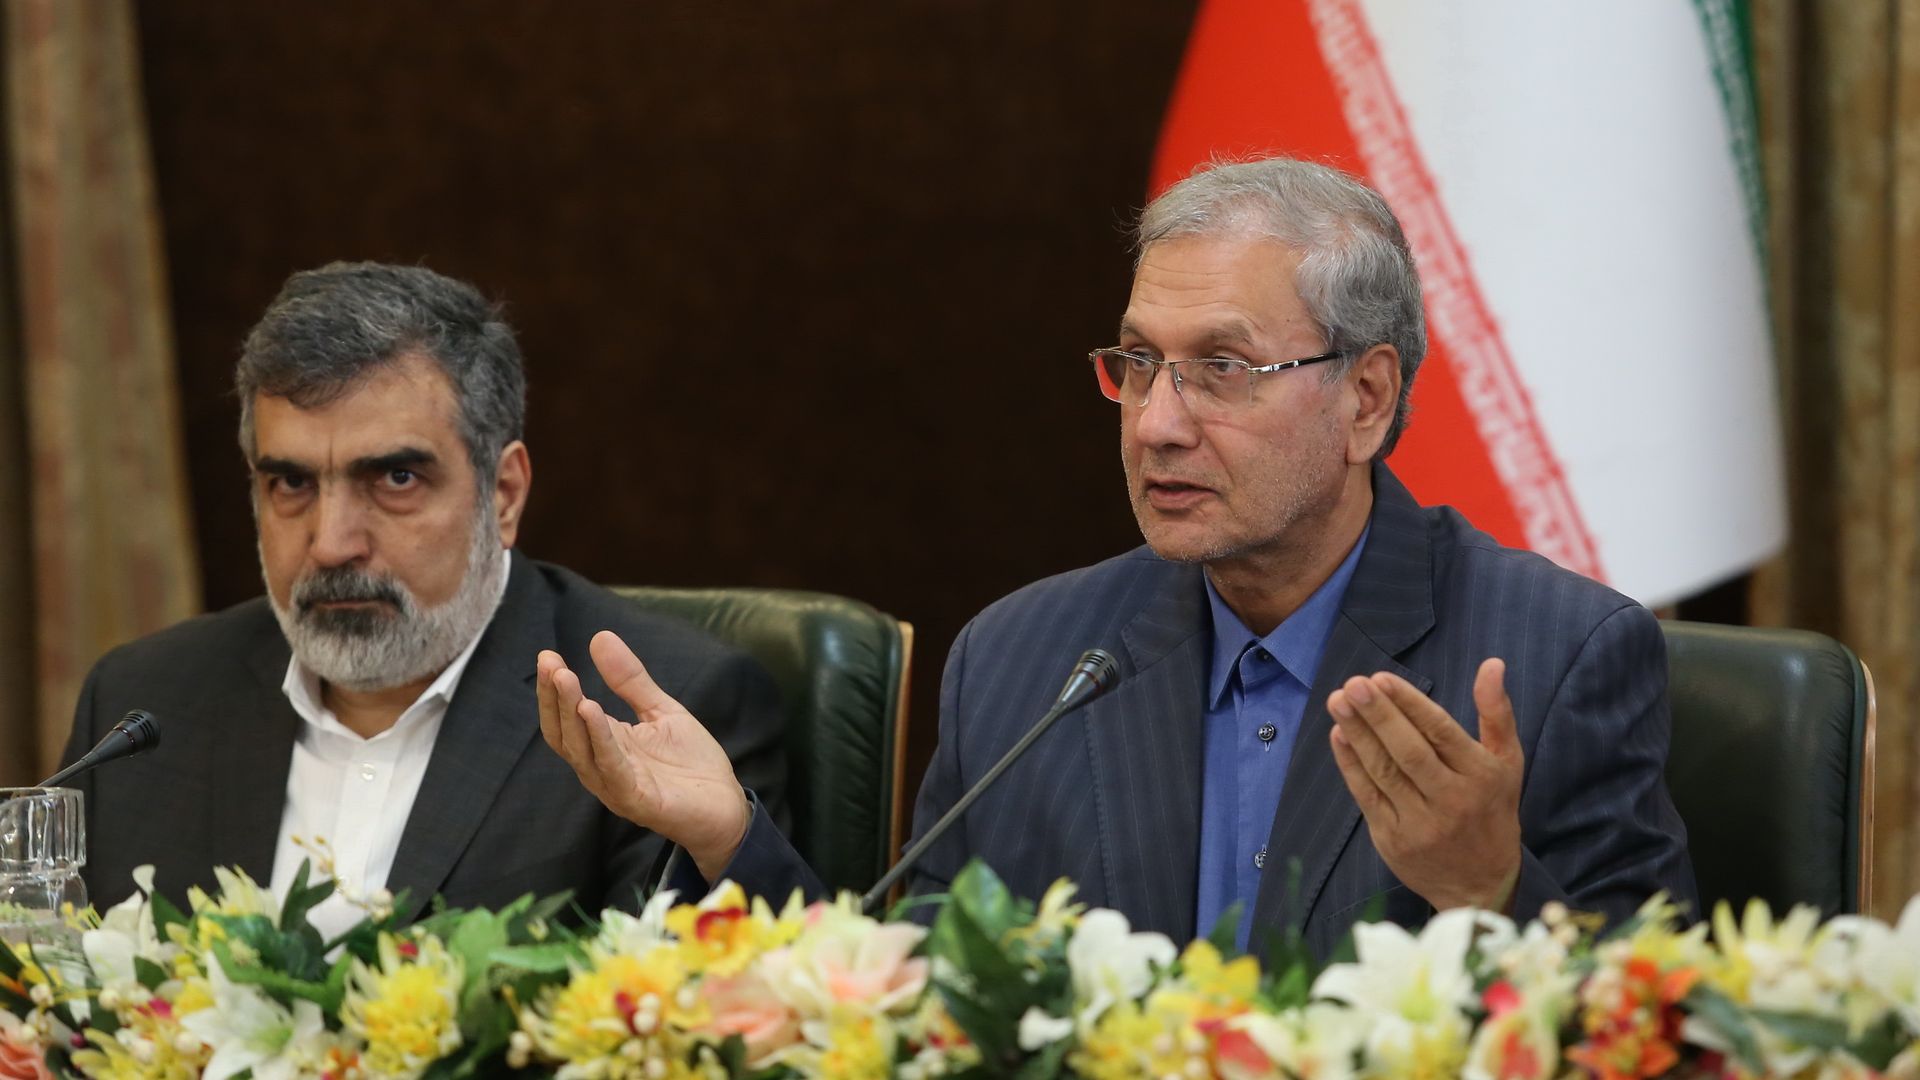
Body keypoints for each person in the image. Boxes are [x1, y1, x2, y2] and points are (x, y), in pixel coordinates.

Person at [538, 158, 1697, 956]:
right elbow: (918, 1008)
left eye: (1223, 369)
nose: (1156, 423)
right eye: (1138, 363)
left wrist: (1493, 889)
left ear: (1367, 400)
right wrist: (729, 838)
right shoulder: (1027, 658)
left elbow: (1666, 1043)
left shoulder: (1556, 657)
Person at [64, 262, 788, 937]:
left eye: (395, 480)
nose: (331, 544)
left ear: (503, 494)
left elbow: (697, 1032)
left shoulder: (659, 716)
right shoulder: (142, 708)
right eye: (291, 484)